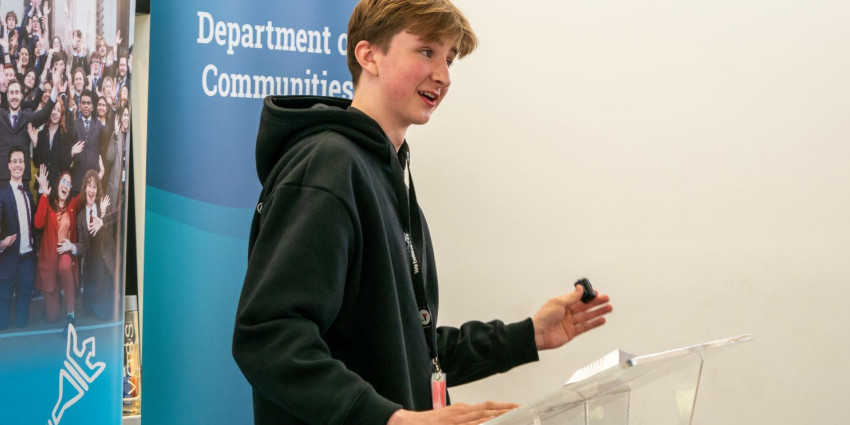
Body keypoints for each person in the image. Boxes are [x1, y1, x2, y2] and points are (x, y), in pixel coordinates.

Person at [231, 1, 613, 424]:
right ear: (368, 55)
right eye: (426, 51)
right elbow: (268, 337)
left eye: (449, 59)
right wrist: (392, 419)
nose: (444, 77)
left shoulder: (383, 171)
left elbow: (409, 345)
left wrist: (527, 336)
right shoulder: (329, 167)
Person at [34, 166, 83, 336]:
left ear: (70, 189)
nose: (66, 185)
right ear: (57, 185)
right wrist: (44, 194)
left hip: (65, 255)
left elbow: (86, 194)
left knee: (65, 265)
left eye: (69, 184)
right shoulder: (48, 202)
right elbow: (38, 224)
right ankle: (54, 303)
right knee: (52, 316)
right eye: (63, 181)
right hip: (49, 261)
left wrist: (98, 175)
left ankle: (71, 314)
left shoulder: (72, 205)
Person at [0, 147, 35, 330]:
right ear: (8, 165)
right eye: (14, 161)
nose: (18, 165)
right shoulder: (3, 194)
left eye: (21, 161)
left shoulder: (29, 194)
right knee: (2, 324)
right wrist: (2, 243)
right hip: (8, 260)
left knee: (23, 322)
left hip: (26, 260)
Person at [74, 169, 115, 321]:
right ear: (84, 189)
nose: (91, 189)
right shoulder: (80, 217)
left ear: (97, 190)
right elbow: (83, 246)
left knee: (106, 313)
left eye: (94, 186)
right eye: (88, 186)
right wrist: (73, 247)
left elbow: (108, 239)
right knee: (90, 309)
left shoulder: (103, 206)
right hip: (91, 265)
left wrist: (103, 215)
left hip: (104, 261)